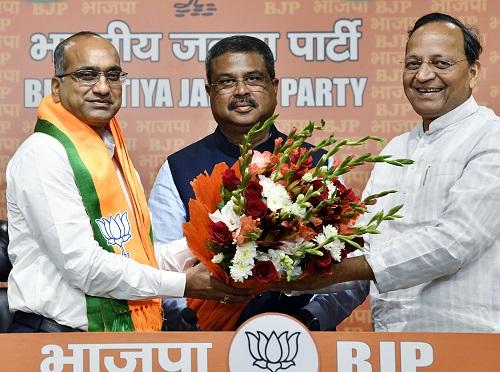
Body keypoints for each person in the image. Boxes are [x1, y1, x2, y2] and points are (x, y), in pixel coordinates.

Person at [5, 31, 251, 333]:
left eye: (113, 75)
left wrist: (224, 241)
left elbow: (138, 257)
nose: (103, 87)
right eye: (86, 75)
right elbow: (84, 266)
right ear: (57, 87)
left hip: (105, 342)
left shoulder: (114, 156)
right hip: (53, 343)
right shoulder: (44, 154)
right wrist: (185, 284)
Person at [286, 12, 500, 332]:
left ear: (472, 72)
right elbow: (363, 251)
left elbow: (455, 241)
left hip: (464, 340)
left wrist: (336, 271)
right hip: (390, 345)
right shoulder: (395, 150)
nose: (424, 75)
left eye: (441, 63)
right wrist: (282, 271)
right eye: (413, 64)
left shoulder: (490, 136)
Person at [150, 35, 365, 330]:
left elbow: (351, 265)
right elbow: (157, 265)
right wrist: (190, 324)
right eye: (226, 82)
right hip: (206, 342)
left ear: (274, 88)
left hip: (303, 341)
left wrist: (311, 319)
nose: (241, 91)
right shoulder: (178, 168)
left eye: (253, 79)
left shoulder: (316, 165)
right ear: (208, 91)